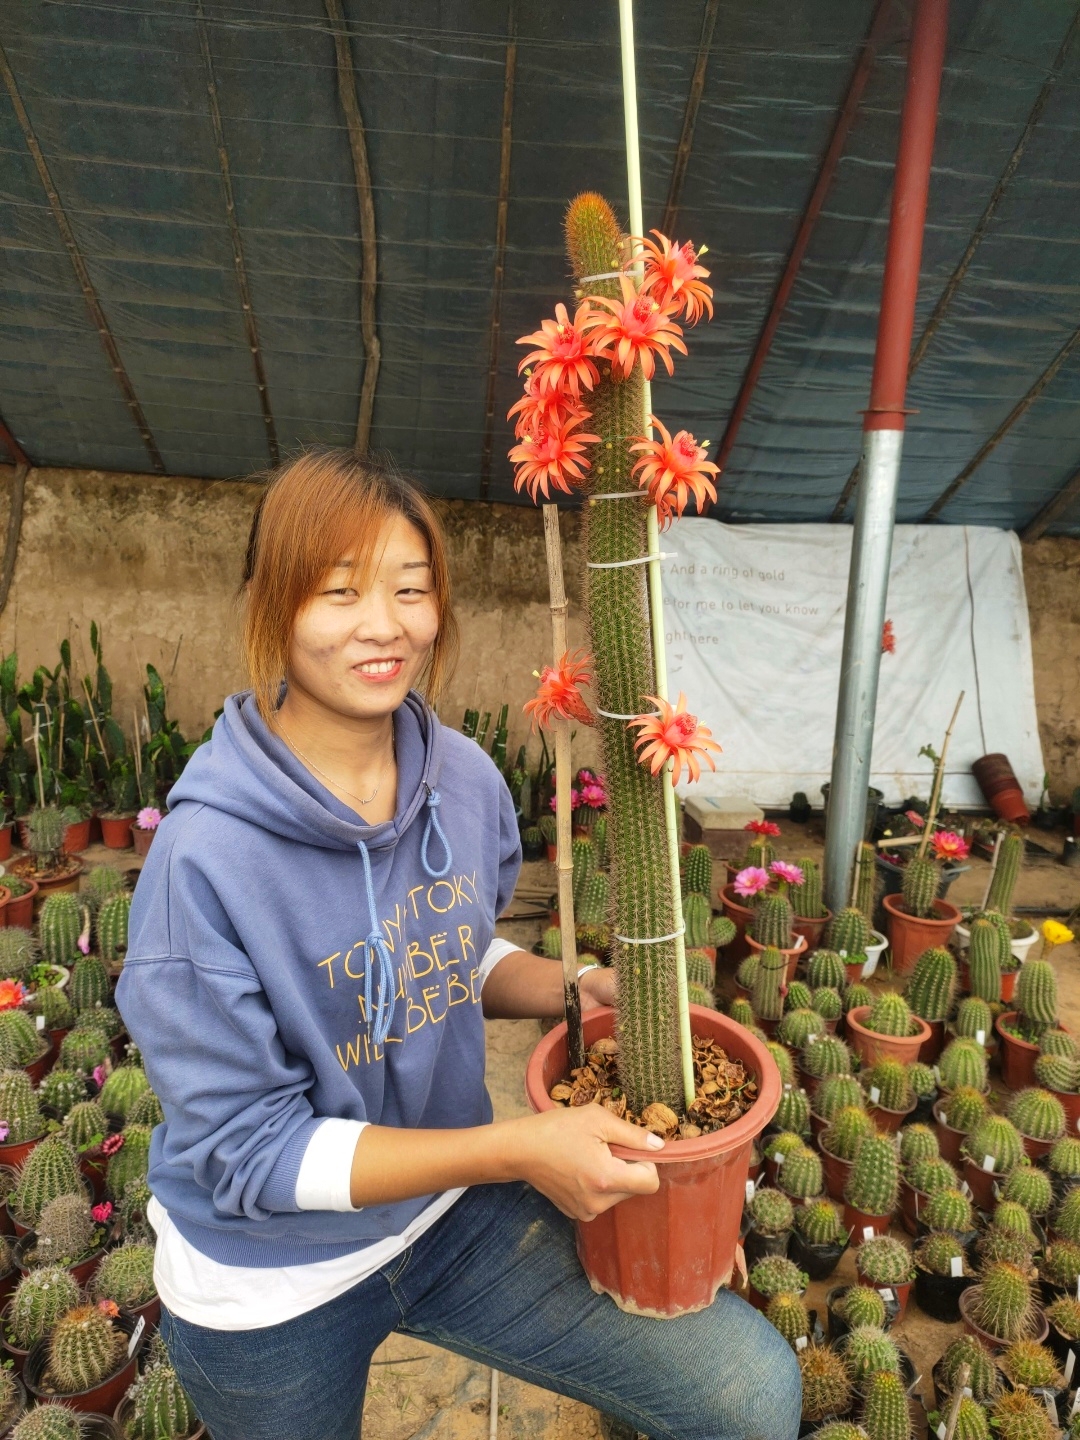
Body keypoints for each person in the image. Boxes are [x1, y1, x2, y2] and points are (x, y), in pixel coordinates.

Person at [117, 448, 800, 1440]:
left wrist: (582, 987)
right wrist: (515, 1148)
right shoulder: (203, 862)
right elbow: (249, 1152)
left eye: (410, 589)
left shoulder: (466, 780)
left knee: (745, 1392)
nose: (382, 625)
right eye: (339, 593)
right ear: (274, 606)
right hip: (270, 1279)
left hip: (450, 1214)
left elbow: (455, 954)